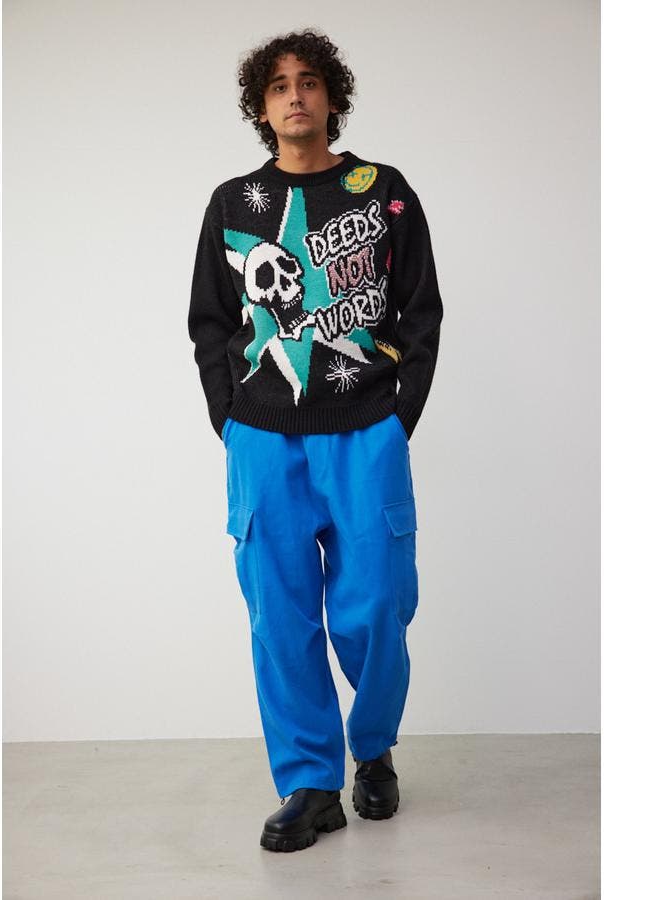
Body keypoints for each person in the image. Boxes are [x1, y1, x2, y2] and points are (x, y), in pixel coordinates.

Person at [187, 29, 443, 853]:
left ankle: (373, 748)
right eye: (278, 86)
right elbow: (211, 322)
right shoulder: (234, 203)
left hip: (366, 432)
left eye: (308, 82)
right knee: (280, 614)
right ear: (260, 109)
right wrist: (229, 417)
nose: (294, 95)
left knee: (377, 605)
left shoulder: (383, 192)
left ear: (332, 97)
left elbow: (421, 310)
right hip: (264, 440)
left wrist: (399, 415)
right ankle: (309, 783)